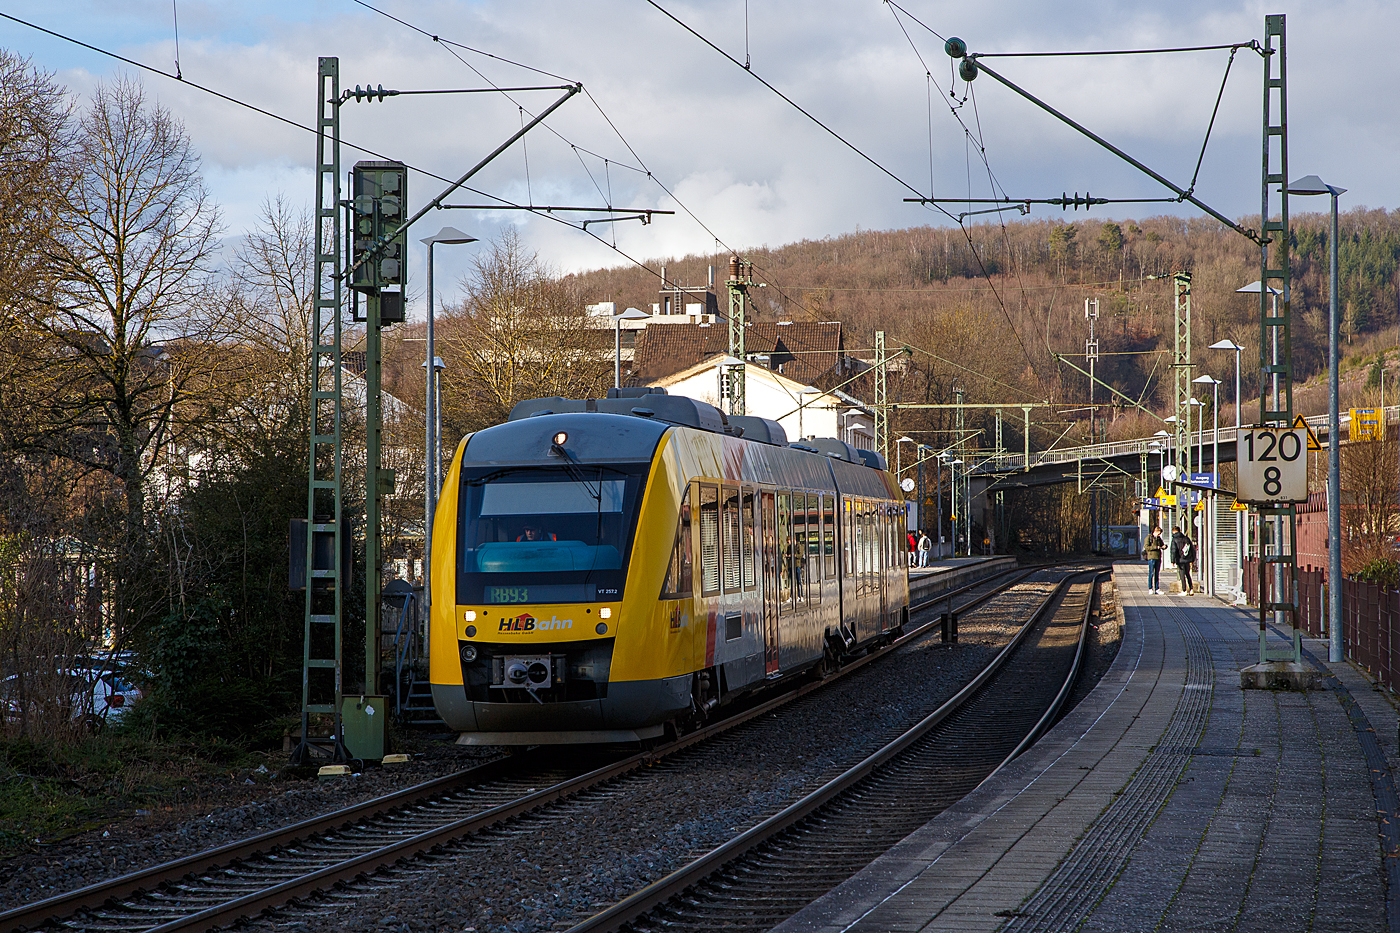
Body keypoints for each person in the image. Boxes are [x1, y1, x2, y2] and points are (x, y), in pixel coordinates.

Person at [1170, 527, 1196, 594]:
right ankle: (1191, 588)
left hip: (1180, 559)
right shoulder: (1186, 538)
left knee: (1182, 575)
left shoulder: (1174, 540)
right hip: (1187, 559)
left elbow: (1173, 550)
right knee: (1188, 574)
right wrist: (1193, 559)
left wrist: (1172, 560)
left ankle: (1184, 590)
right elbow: (1192, 549)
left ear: (1174, 532)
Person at [1143, 525, 1165, 594]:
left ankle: (1157, 588)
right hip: (1151, 557)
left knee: (1157, 574)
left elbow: (1162, 544)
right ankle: (1150, 588)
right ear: (1155, 532)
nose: (1159, 535)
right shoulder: (1148, 538)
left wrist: (1164, 547)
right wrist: (1156, 547)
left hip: (1158, 557)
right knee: (1151, 573)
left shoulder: (1159, 539)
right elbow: (1147, 547)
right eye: (1158, 533)